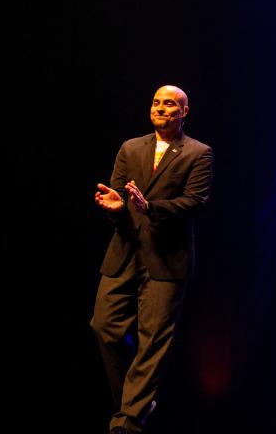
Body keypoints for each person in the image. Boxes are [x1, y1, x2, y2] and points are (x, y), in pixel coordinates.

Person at [91, 85, 213, 434]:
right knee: (103, 326)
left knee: (153, 339)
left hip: (167, 258)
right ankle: (137, 400)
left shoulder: (198, 153)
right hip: (125, 251)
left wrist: (152, 208)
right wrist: (115, 208)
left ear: (184, 111)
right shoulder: (131, 147)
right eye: (157, 102)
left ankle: (127, 422)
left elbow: (196, 202)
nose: (161, 108)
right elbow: (117, 199)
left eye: (170, 104)